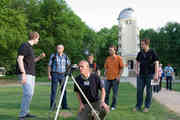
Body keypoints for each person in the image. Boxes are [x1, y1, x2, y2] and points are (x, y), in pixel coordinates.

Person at [16, 32, 46, 119]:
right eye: (38, 38)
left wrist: (40, 57)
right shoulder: (24, 45)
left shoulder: (30, 48)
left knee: (30, 94)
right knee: (28, 93)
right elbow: (19, 59)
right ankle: (22, 115)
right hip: (26, 73)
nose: (38, 40)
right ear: (34, 37)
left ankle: (26, 112)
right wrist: (23, 73)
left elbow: (32, 61)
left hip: (31, 73)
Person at [133, 38, 159, 113]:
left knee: (149, 91)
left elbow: (156, 62)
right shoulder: (140, 53)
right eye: (141, 44)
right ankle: (138, 106)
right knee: (139, 91)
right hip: (141, 75)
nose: (141, 46)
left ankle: (147, 106)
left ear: (147, 44)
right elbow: (137, 62)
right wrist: (136, 70)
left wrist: (156, 74)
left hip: (150, 75)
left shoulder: (152, 51)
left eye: (142, 44)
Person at [48, 44, 71, 110]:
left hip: (63, 74)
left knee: (63, 90)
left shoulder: (65, 56)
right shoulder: (53, 55)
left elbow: (68, 65)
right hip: (55, 74)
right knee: (54, 90)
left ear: (63, 49)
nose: (58, 49)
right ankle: (52, 106)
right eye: (58, 48)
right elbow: (49, 65)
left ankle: (64, 106)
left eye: (60, 48)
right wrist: (49, 75)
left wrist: (67, 73)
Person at [104, 45, 124, 110]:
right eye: (109, 50)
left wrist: (119, 76)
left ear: (115, 51)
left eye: (111, 50)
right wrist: (105, 74)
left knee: (114, 94)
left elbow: (122, 68)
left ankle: (113, 106)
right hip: (108, 79)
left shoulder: (119, 58)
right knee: (106, 93)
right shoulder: (108, 58)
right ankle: (106, 105)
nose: (110, 51)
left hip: (115, 79)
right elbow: (106, 68)